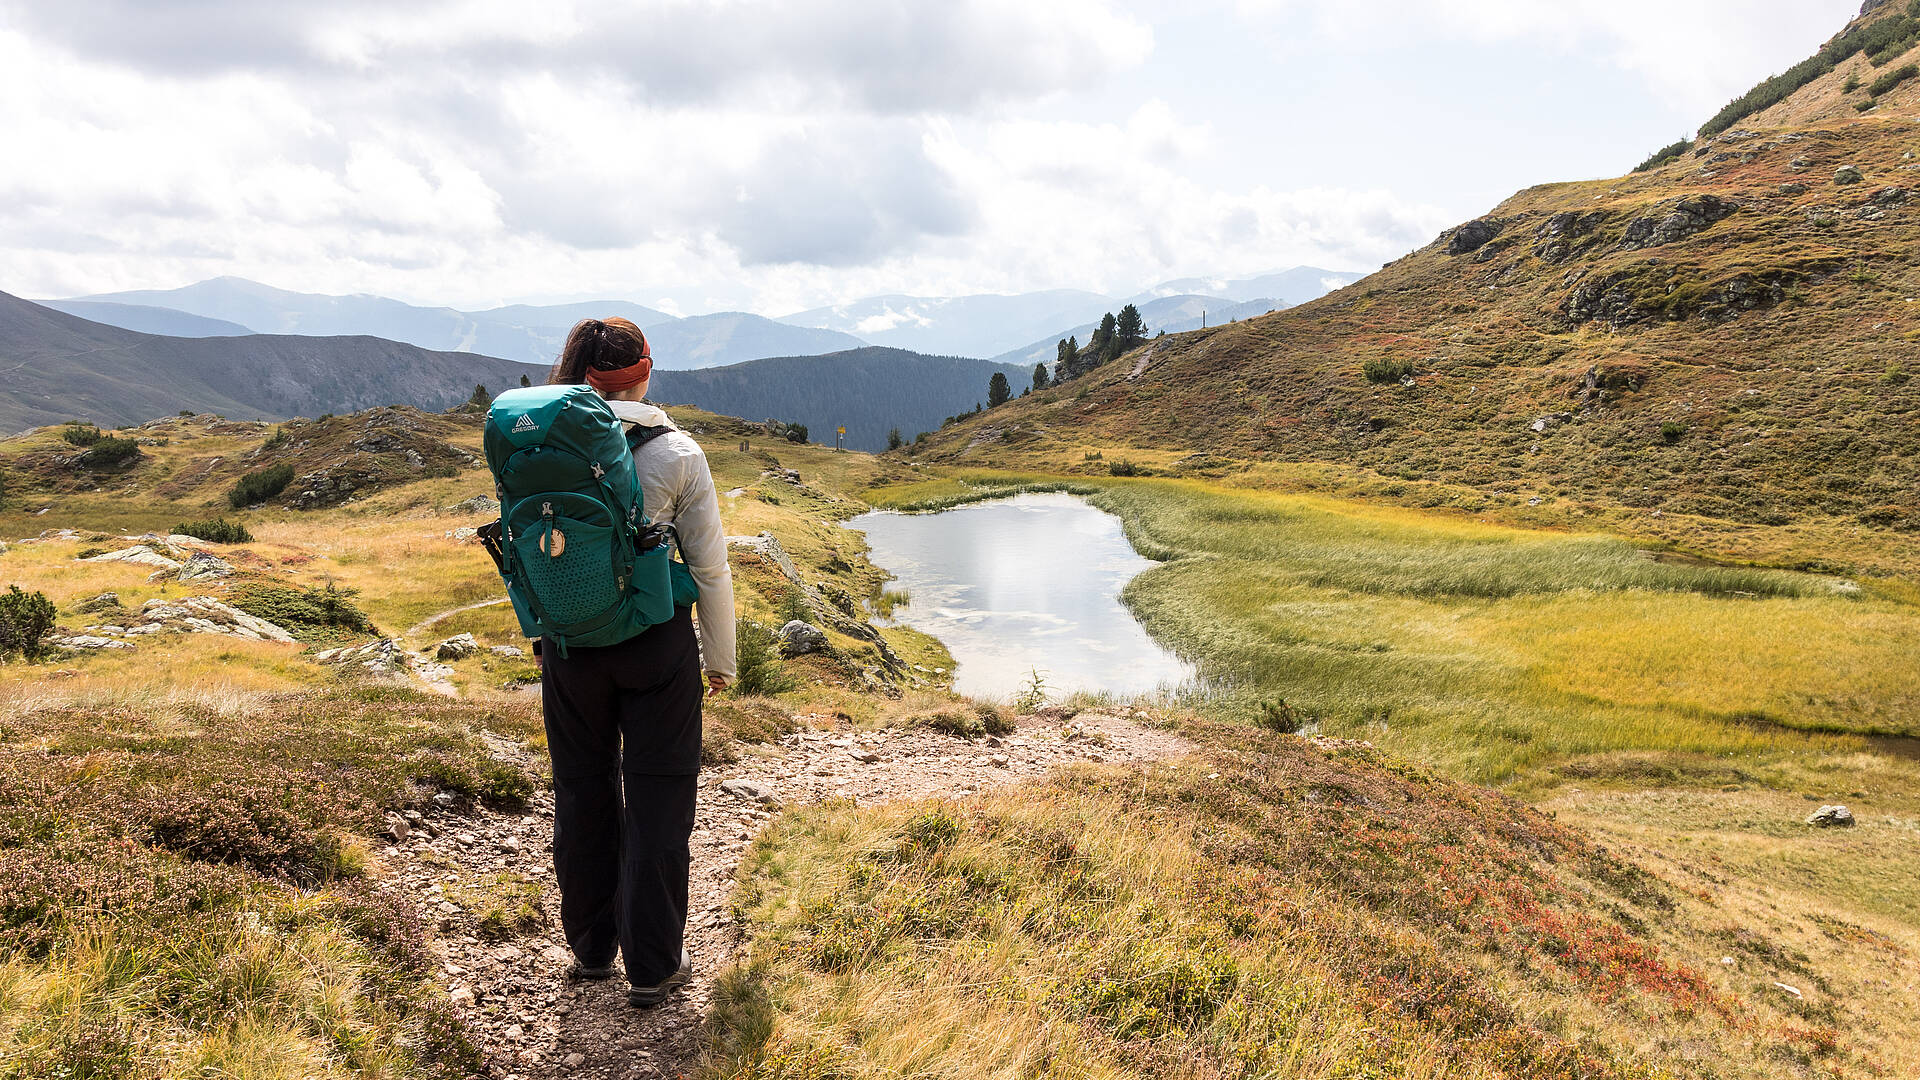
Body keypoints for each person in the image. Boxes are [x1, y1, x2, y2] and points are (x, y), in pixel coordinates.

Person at [536, 316, 736, 1008]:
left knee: (582, 791)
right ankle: (653, 967)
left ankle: (591, 951)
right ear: (646, 366)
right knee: (658, 799)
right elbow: (709, 567)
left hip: (569, 650)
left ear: (578, 372)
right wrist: (721, 658)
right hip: (656, 646)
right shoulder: (678, 452)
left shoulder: (542, 442)